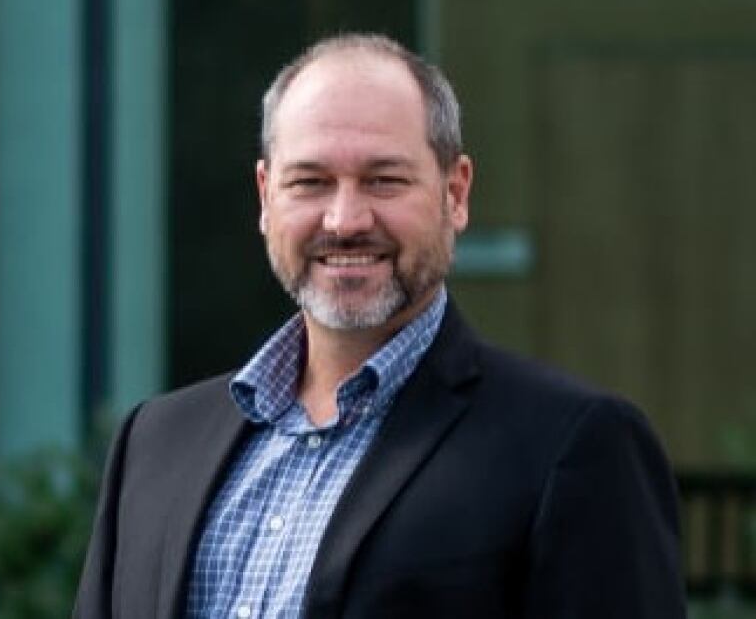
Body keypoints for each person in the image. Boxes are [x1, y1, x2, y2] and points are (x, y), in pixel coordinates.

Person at [74, 33, 686, 618]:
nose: (344, 219)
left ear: (456, 192)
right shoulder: (154, 443)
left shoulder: (574, 446)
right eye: (309, 182)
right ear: (265, 197)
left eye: (384, 180)